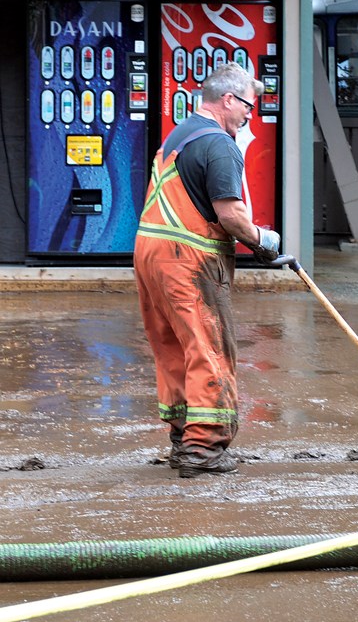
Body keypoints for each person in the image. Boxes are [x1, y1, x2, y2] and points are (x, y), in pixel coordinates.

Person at [134, 62, 281, 478]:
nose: (249, 117)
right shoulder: (219, 144)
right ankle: (203, 450)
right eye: (247, 108)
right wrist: (262, 240)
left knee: (173, 348)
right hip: (189, 259)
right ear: (228, 100)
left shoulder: (179, 134)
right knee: (209, 346)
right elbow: (230, 214)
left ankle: (183, 437)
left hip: (151, 253)